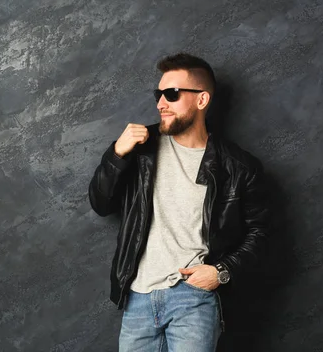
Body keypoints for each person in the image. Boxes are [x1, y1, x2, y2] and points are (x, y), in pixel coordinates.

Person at [88, 52, 270, 352]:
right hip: (138, 297)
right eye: (158, 94)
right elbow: (101, 203)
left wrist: (222, 271)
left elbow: (260, 233)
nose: (161, 103)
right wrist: (117, 155)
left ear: (201, 100)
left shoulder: (238, 167)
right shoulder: (139, 148)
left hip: (192, 298)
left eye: (171, 94)